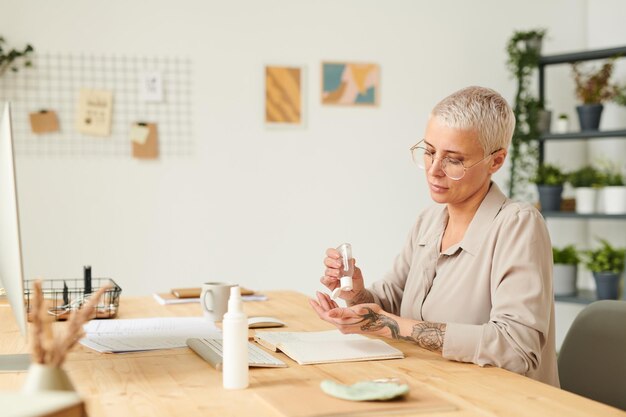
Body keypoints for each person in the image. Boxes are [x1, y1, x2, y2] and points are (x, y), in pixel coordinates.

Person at [309, 86, 559, 387]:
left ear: (496, 161)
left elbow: (518, 348)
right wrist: (357, 294)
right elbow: (391, 303)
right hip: (432, 387)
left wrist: (394, 327)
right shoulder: (429, 220)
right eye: (429, 152)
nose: (433, 170)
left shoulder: (519, 225)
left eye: (453, 160)